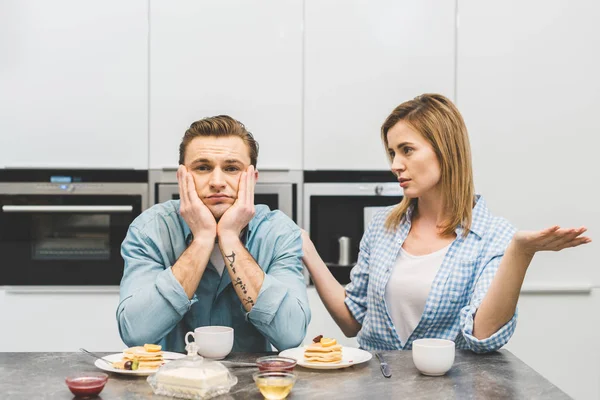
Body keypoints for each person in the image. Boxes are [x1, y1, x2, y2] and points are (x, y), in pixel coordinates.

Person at [301, 94, 590, 353]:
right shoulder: (382, 226)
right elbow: (353, 320)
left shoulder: (493, 235)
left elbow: (482, 335)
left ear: (445, 150)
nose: (395, 165)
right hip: (376, 387)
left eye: (407, 150)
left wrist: (521, 252)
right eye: (392, 152)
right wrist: (307, 249)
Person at [117, 115, 310, 353]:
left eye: (231, 168)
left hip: (255, 386)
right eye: (203, 168)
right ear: (182, 177)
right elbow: (136, 333)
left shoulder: (279, 233)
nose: (217, 182)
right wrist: (202, 240)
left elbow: (290, 336)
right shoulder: (149, 230)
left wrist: (230, 237)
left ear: (253, 178)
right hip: (173, 384)